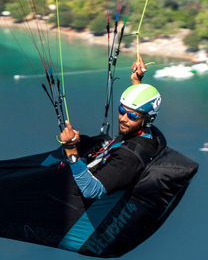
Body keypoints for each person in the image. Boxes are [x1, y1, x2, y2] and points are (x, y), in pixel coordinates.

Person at [60, 55, 164, 199]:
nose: (123, 118)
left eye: (132, 116)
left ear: (148, 120)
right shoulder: (145, 132)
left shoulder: (128, 159)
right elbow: (137, 108)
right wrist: (136, 81)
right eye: (121, 110)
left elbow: (91, 191)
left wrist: (70, 149)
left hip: (82, 195)